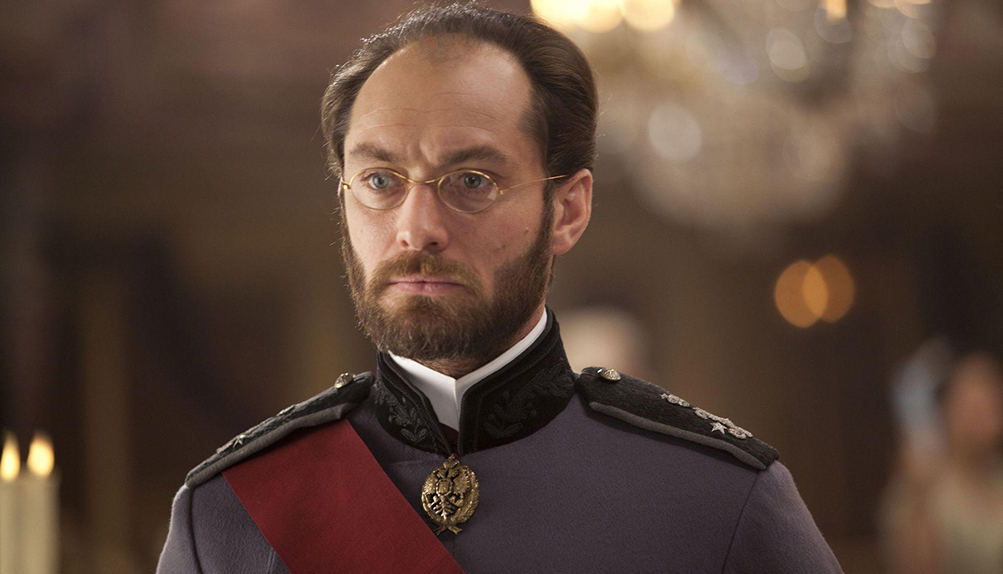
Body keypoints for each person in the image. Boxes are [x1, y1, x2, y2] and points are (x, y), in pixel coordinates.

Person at [156, 4, 842, 573]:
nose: (416, 229)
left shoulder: (718, 498)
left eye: (472, 181)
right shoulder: (226, 515)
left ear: (567, 210)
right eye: (380, 181)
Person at [882, 351, 1003, 574]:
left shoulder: (997, 480)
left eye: (990, 407)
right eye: (971, 408)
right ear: (946, 408)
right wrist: (919, 497)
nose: (980, 420)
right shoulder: (923, 478)